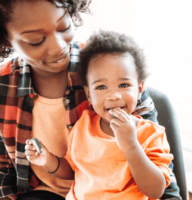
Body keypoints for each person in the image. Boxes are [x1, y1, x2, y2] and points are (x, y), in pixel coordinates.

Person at [0, 0, 181, 200]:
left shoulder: (109, 65)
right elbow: (0, 171)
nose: (58, 48)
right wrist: (47, 160)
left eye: (63, 27)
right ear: (6, 40)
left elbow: (159, 170)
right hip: (46, 192)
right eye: (36, 40)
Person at [25, 30, 173, 200]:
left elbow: (155, 190)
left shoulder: (150, 133)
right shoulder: (83, 126)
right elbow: (72, 171)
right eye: (101, 87)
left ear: (139, 90)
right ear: (89, 95)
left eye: (124, 85)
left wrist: (131, 145)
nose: (113, 95)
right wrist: (48, 160)